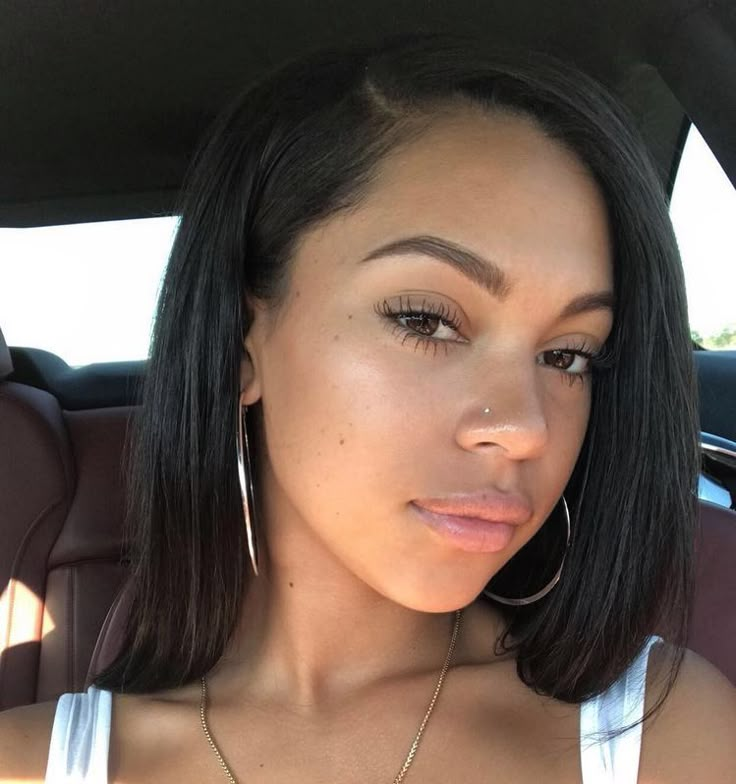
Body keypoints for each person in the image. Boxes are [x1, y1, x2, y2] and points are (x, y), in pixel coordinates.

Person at [1, 34, 735, 784]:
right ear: (240, 341)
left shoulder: (666, 739)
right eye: (425, 319)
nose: (525, 428)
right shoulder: (29, 765)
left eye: (568, 355)